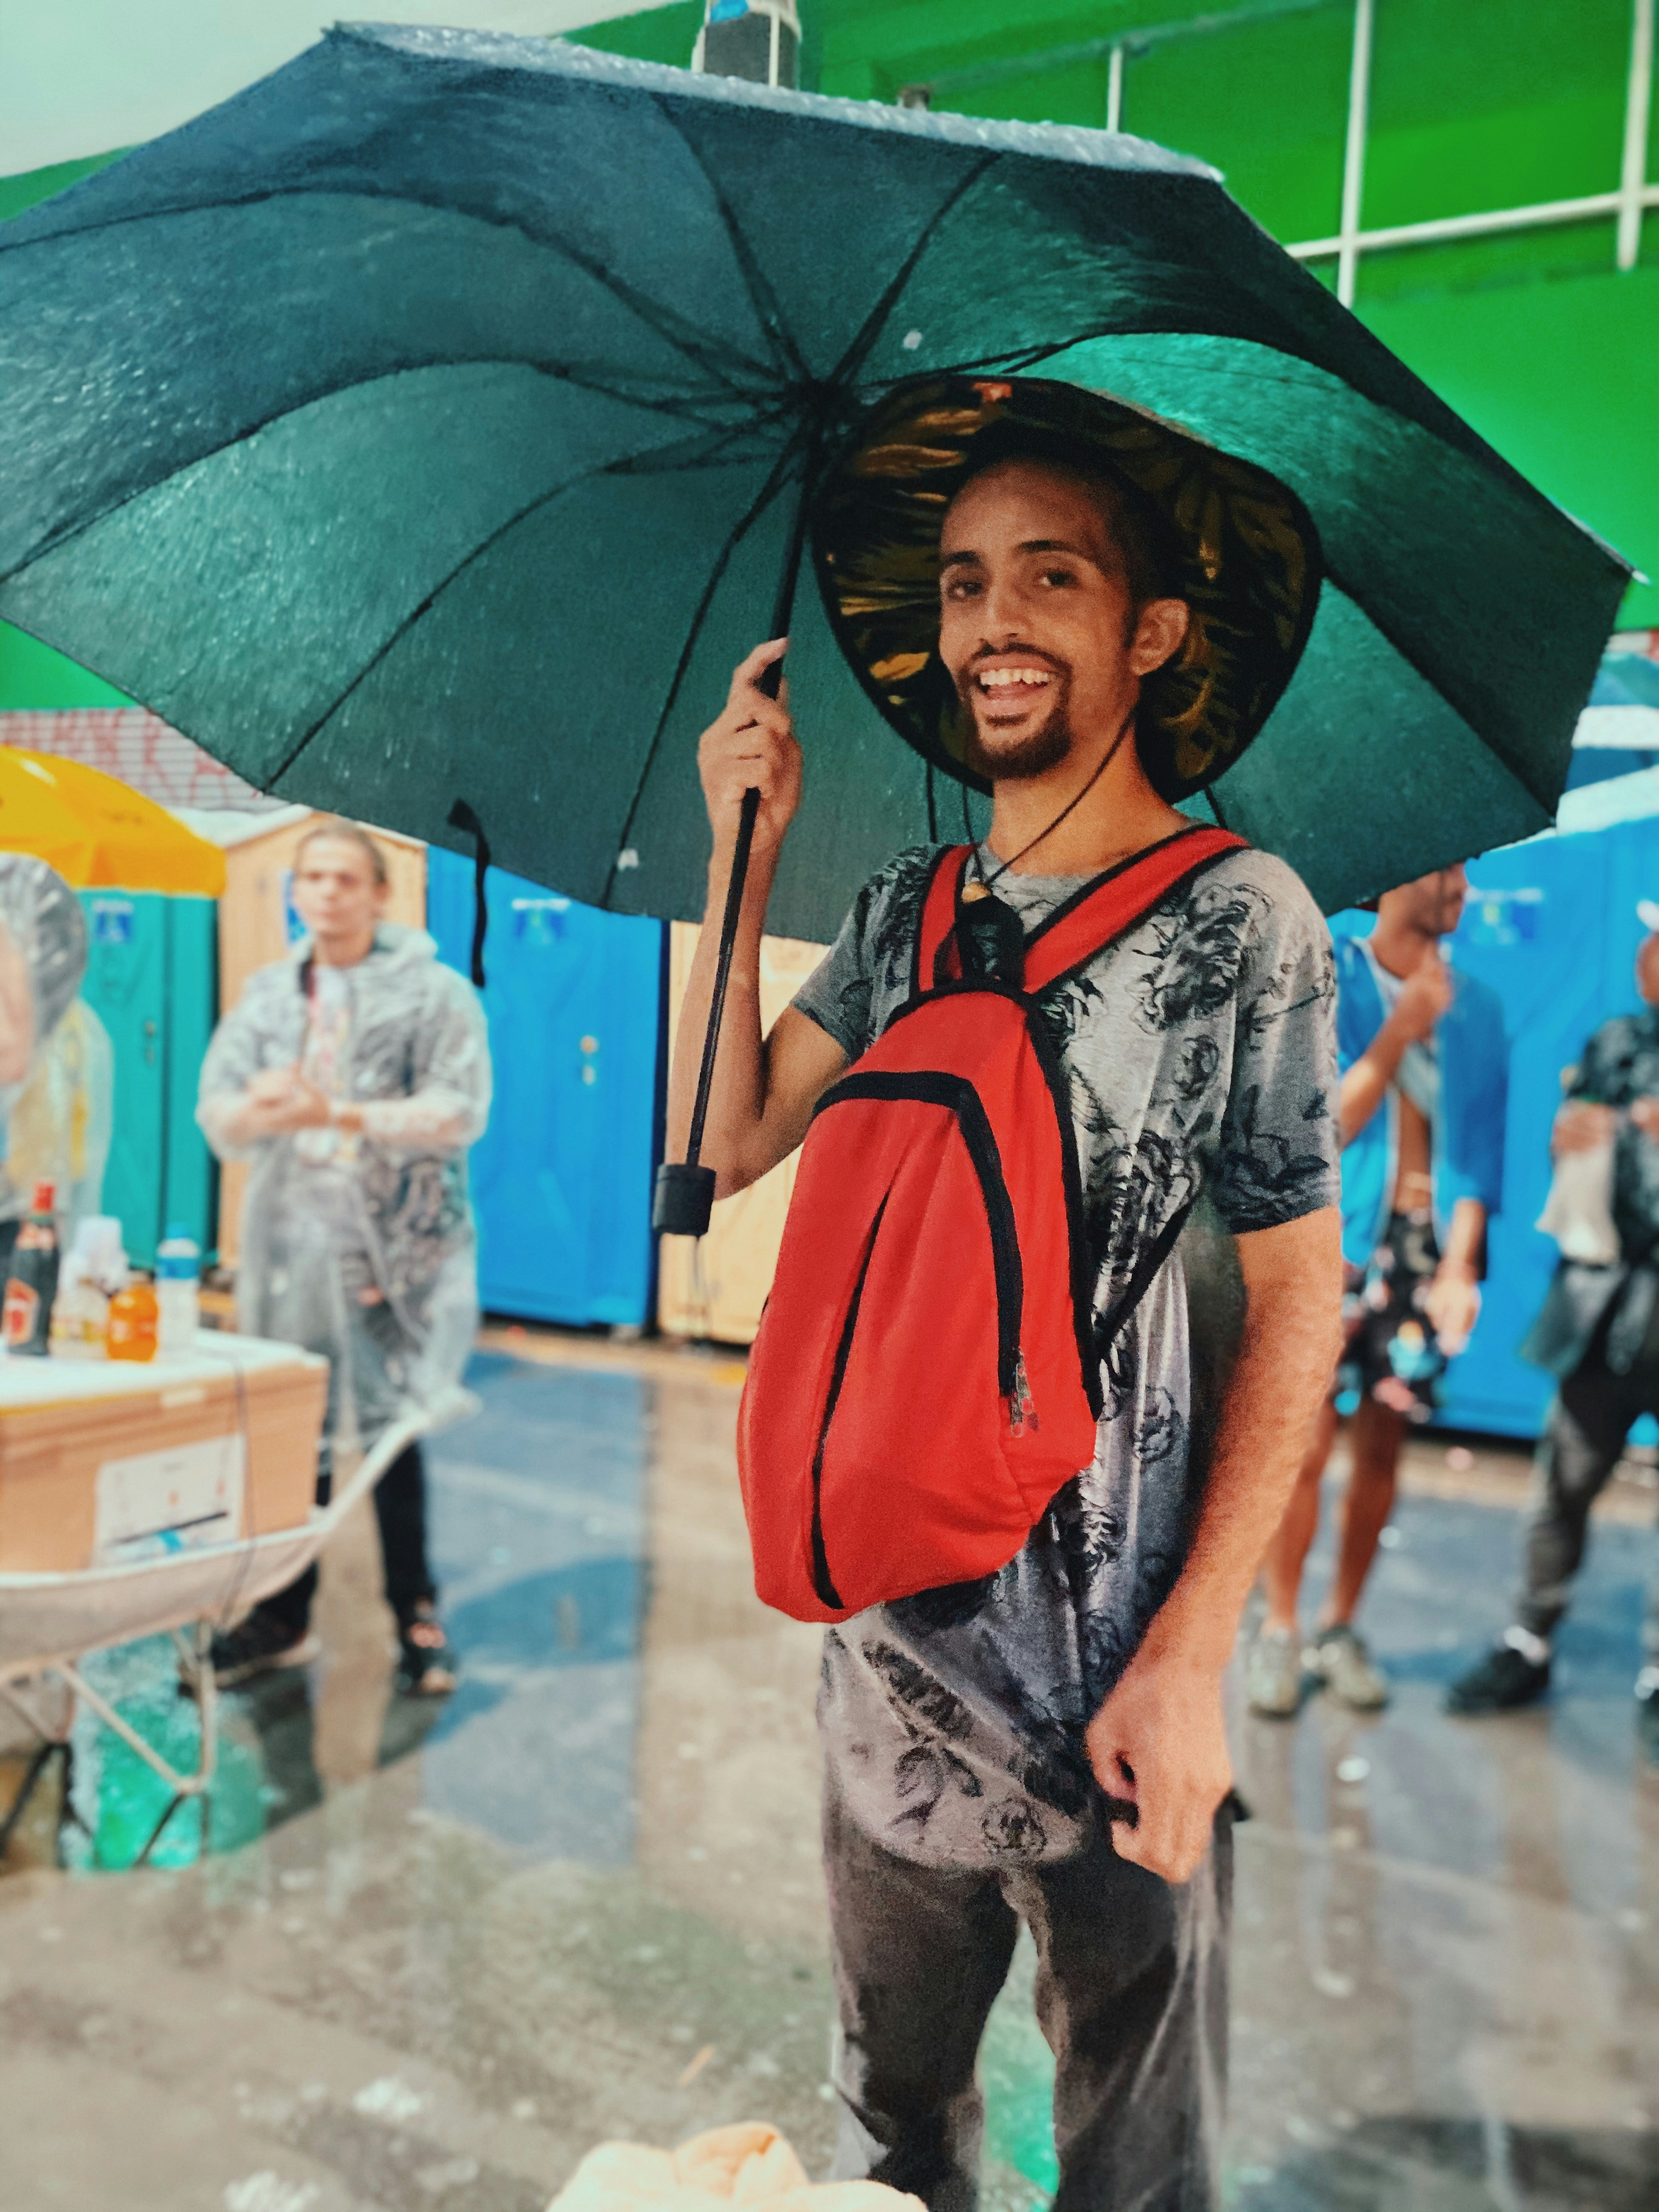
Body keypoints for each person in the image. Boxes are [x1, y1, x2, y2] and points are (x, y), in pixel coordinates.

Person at [669, 381, 1342, 2209]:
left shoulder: (1240, 921)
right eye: (965, 586)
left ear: (1149, 633)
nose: (991, 626)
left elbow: (1300, 1302)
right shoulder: (906, 908)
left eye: (1048, 580)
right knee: (894, 2135)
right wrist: (734, 844)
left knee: (1134, 2160)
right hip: (884, 1659)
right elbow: (721, 1142)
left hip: (1125, 1680)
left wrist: (1199, 1655)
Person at [198, 818, 491, 1695]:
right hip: (292, 1248)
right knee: (296, 1439)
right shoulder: (269, 997)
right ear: (294, 894)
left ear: (377, 894)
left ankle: (416, 1614)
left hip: (393, 1255)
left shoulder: (433, 995)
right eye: (311, 878)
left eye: (343, 878)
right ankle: (283, 1614)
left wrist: (335, 1112)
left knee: (392, 1436)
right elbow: (220, 1113)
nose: (325, 892)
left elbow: (457, 1110)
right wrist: (260, 1104)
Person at [1249, 866, 1507, 1716]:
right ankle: (1280, 1629)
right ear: (1394, 884)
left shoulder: (1479, 1007)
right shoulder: (1331, 980)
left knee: (1385, 1446)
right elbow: (1325, 1125)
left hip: (1420, 1254)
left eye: (1469, 872)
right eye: (1444, 869)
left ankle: (1340, 1625)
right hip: (1334, 1247)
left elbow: (1478, 1152)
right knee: (1305, 1449)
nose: (1459, 887)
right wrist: (1401, 1030)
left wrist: (1460, 1266)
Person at [1448, 899, 1659, 1756]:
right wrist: (1571, 1136)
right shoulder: (1619, 1040)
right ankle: (1529, 1643)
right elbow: (1572, 1156)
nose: (1650, 953)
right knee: (1561, 1485)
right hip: (1603, 1311)